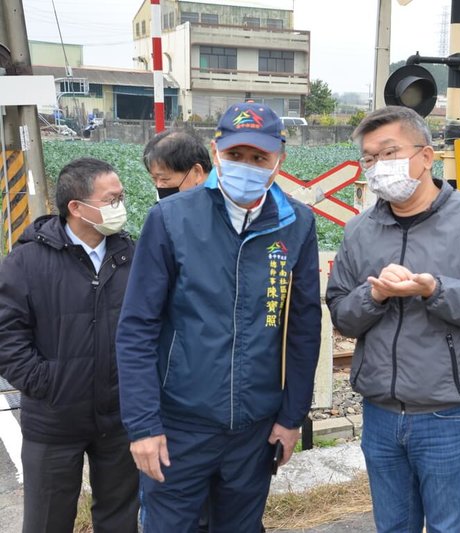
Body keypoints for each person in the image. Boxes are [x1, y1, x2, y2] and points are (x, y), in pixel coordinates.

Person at [116, 102, 321, 532]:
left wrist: (290, 418)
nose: (246, 165)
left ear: (279, 159)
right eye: (236, 155)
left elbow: (303, 328)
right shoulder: (171, 219)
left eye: (259, 157)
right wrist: (143, 426)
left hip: (254, 432)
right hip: (179, 428)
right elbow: (136, 328)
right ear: (216, 152)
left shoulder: (295, 224)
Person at [326, 106, 460, 533]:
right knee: (393, 526)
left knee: (448, 527)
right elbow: (342, 314)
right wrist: (373, 294)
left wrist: (436, 290)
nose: (379, 167)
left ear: (427, 156)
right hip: (379, 412)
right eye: (370, 158)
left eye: (389, 153)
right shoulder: (360, 230)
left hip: (450, 413)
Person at [0, 158, 138, 532]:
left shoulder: (131, 257)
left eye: (121, 197)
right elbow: (7, 335)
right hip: (54, 417)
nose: (120, 206)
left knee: (120, 516)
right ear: (76, 207)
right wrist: (47, 382)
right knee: (47, 518)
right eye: (112, 198)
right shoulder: (26, 261)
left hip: (119, 415)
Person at [141, 129, 212, 532]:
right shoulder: (164, 224)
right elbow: (139, 328)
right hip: (177, 411)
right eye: (155, 183)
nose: (159, 191)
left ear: (197, 172)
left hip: (231, 423)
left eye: (165, 182)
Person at [143, 129, 212, 200]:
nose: (159, 186)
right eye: (154, 179)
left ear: (196, 172)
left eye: (164, 179)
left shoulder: (220, 206)